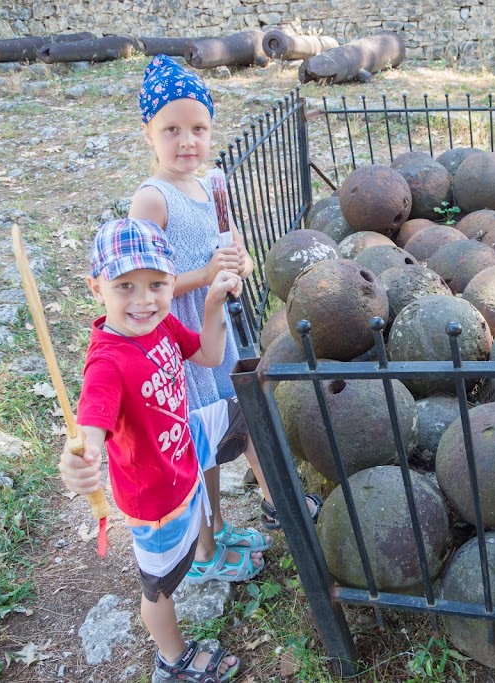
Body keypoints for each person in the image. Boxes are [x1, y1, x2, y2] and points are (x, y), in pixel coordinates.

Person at [126, 55, 320, 534]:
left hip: (222, 325)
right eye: (171, 129)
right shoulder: (151, 199)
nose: (187, 141)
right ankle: (211, 532)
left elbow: (228, 243)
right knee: (203, 431)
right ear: (149, 133)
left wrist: (242, 262)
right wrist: (205, 274)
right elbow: (140, 290)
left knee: (246, 410)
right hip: (185, 335)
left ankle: (278, 502)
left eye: (198, 128)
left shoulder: (212, 183)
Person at [59, 218, 256, 681]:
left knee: (246, 412)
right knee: (161, 587)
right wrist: (80, 459)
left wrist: (210, 303)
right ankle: (173, 660)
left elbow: (208, 355)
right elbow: (91, 427)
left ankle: (263, 516)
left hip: (182, 445)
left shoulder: (162, 322)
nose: (144, 299)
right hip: (154, 496)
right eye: (125, 285)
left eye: (156, 284)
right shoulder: (107, 361)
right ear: (96, 287)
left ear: (170, 282)